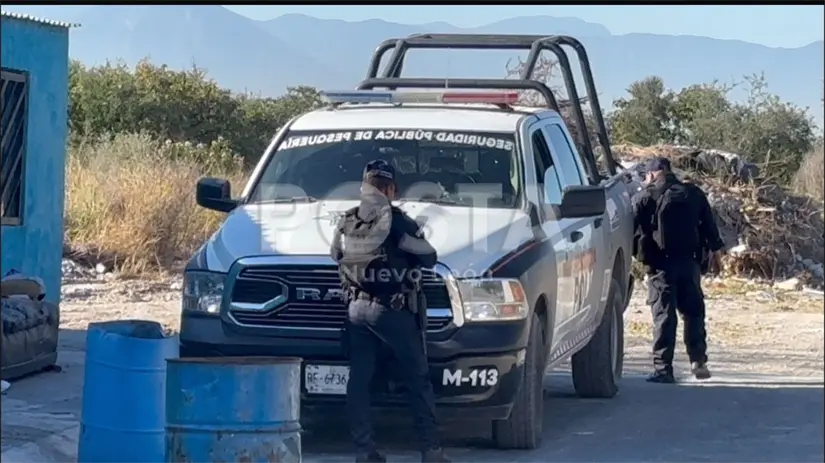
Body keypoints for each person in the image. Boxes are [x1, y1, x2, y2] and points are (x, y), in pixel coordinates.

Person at [330, 159, 449, 463]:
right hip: (392, 312)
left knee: (359, 380)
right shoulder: (396, 221)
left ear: (363, 187)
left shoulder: (348, 219)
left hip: (355, 310)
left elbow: (335, 254)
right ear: (391, 189)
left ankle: (364, 450)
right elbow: (429, 258)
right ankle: (431, 450)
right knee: (417, 380)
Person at [632, 156, 724, 384]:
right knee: (693, 313)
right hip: (690, 263)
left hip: (660, 266)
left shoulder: (645, 197)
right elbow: (710, 228)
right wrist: (716, 255)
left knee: (664, 315)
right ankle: (698, 360)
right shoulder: (693, 193)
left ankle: (663, 369)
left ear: (655, 172)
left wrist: (637, 259)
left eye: (648, 174)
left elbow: (631, 231)